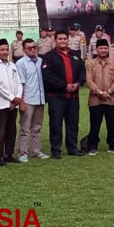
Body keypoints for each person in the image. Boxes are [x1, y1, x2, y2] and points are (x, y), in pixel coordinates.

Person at [42, 31, 86, 159]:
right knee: (56, 124)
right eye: (60, 39)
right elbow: (48, 76)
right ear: (55, 40)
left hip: (73, 96)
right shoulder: (49, 56)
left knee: (73, 123)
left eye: (65, 39)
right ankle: (56, 149)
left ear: (68, 40)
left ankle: (72, 148)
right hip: (56, 96)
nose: (63, 41)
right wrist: (64, 85)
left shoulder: (75, 55)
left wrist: (78, 83)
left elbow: (82, 71)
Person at [0, 39, 25, 165]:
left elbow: (19, 82)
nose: (5, 52)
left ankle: (8, 154)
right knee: (0, 131)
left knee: (11, 130)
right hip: (2, 104)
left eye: (6, 49)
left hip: (13, 104)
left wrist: (18, 97)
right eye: (2, 50)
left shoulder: (12, 65)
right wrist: (12, 98)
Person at [85, 39, 114, 155]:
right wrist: (100, 92)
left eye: (105, 48)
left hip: (111, 99)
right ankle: (93, 146)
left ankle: (113, 145)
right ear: (97, 50)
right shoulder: (90, 63)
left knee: (112, 124)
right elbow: (89, 80)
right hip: (95, 99)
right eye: (101, 48)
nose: (103, 50)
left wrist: (109, 92)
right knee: (95, 123)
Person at [15, 39, 49, 162]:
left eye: (34, 47)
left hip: (40, 98)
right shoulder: (21, 63)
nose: (32, 50)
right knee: (25, 128)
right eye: (29, 48)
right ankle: (22, 153)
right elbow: (21, 83)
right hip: (28, 99)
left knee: (37, 127)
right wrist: (22, 101)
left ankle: (36, 150)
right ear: (24, 49)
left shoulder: (41, 61)